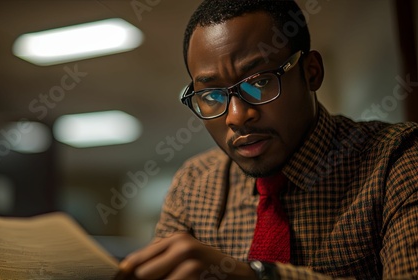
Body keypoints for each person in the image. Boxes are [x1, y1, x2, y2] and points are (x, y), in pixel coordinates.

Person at [115, 0, 418, 279]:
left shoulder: (398, 159)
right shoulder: (193, 185)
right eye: (212, 94)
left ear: (311, 72)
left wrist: (256, 276)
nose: (236, 116)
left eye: (259, 82)